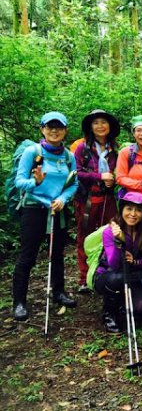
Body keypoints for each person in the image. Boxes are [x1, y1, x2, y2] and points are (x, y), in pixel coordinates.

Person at [12, 112, 78, 321]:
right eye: (50, 127)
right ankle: (19, 301)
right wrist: (37, 183)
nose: (54, 131)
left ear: (65, 130)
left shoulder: (68, 155)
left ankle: (59, 292)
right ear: (42, 129)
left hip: (57, 209)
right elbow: (20, 182)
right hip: (34, 209)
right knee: (28, 256)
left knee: (56, 253)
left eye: (59, 127)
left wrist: (63, 199)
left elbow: (73, 182)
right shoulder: (33, 152)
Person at [73, 109, 121, 293]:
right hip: (87, 200)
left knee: (108, 235)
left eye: (104, 122)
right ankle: (84, 278)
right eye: (96, 123)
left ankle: (102, 273)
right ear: (90, 127)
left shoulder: (114, 149)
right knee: (84, 237)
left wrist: (113, 178)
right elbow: (77, 172)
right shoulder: (82, 148)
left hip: (108, 199)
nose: (100, 126)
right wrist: (100, 176)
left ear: (110, 126)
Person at [94, 192, 142, 333]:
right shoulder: (109, 231)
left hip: (132, 275)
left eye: (138, 210)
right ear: (122, 210)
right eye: (129, 209)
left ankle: (123, 305)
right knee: (117, 279)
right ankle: (109, 313)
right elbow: (113, 263)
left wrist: (136, 262)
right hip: (107, 276)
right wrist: (119, 241)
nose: (133, 214)